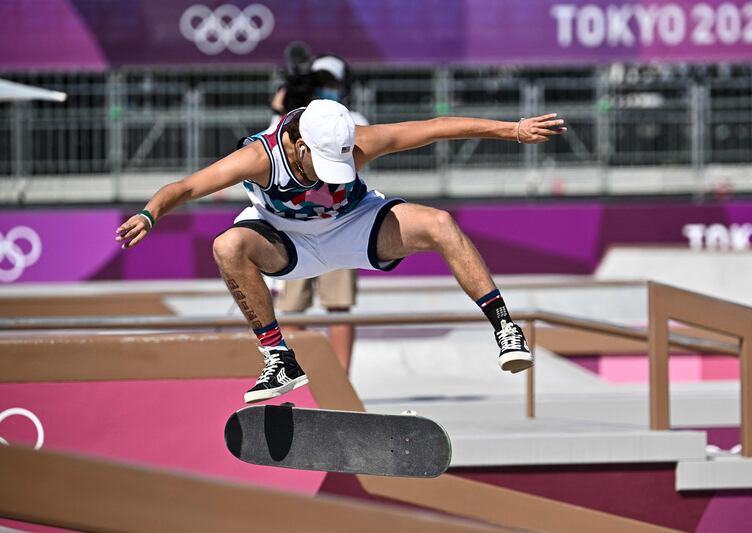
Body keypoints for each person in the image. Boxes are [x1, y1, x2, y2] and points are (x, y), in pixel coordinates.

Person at [116, 99, 566, 403]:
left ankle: (505, 328)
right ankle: (279, 359)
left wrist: (514, 130)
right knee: (228, 245)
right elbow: (188, 186)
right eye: (324, 165)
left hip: (355, 226)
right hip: (284, 239)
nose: (334, 175)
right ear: (297, 144)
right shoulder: (259, 156)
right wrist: (150, 214)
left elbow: (433, 129)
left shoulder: (359, 142)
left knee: (440, 224)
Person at [269, 54, 365, 372]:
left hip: (339, 223)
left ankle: (341, 380)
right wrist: (280, 112)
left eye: (332, 84)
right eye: (319, 83)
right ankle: (310, 379)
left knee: (339, 306)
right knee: (291, 309)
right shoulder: (291, 122)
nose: (326, 90)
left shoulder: (349, 119)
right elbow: (270, 148)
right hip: (294, 228)